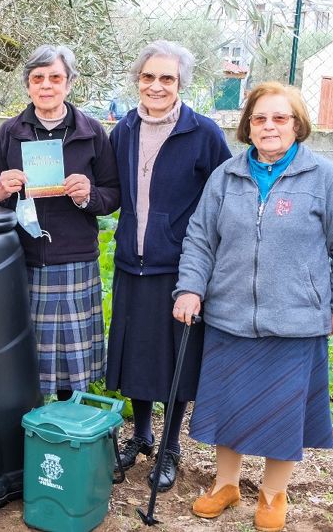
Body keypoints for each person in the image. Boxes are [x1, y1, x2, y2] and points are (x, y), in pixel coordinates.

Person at [173, 82, 333, 532]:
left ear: (297, 125)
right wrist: (190, 288)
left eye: (280, 118)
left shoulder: (326, 179)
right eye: (260, 118)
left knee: (283, 414)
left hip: (295, 322)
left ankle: (273, 493)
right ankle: (226, 485)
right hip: (230, 318)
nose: (269, 126)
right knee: (228, 409)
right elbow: (201, 239)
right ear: (248, 126)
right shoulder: (226, 176)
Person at [105, 40, 231, 492]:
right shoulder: (123, 130)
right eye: (148, 77)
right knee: (137, 353)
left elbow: (225, 200)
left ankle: (171, 445)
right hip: (130, 263)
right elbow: (112, 192)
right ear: (138, 81)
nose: (156, 86)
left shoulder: (204, 133)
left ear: (181, 84)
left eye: (167, 78)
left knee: (176, 358)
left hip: (180, 269)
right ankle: (141, 434)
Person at [0, 44, 120, 401]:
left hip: (74, 261)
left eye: (55, 78)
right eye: (38, 78)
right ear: (28, 85)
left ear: (69, 83)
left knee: (73, 368)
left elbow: (112, 195)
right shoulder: (10, 132)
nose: (46, 85)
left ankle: (67, 434)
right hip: (21, 259)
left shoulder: (92, 133)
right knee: (24, 362)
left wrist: (88, 195)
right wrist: (0, 191)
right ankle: (27, 434)